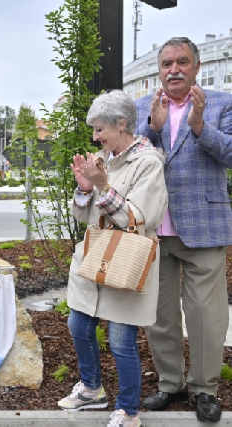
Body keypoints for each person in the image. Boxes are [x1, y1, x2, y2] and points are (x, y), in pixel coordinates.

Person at [134, 37, 232, 423]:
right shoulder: (144, 107)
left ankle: (205, 389)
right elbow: (126, 156)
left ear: (196, 65)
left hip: (203, 226)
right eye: (166, 63)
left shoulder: (222, 103)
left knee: (206, 316)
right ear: (159, 70)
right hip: (155, 227)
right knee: (159, 315)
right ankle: (170, 383)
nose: (174, 69)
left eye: (182, 62)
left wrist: (200, 127)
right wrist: (152, 130)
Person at [57, 90, 167, 427]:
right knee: (78, 324)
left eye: (100, 129)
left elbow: (138, 218)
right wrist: (85, 191)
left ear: (122, 125)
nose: (95, 137)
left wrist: (103, 189)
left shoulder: (148, 163)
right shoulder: (102, 159)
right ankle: (92, 389)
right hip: (94, 258)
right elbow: (82, 217)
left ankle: (129, 411)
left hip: (127, 261)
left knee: (121, 340)